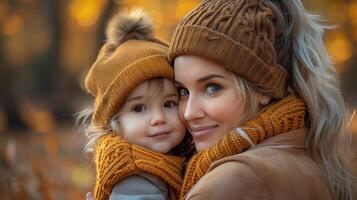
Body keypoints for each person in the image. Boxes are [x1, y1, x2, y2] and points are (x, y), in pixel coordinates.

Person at [168, 0, 355, 199]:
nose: (189, 113)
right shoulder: (313, 158)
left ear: (263, 89)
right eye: (183, 92)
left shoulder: (230, 182)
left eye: (212, 88)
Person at [77, 9, 190, 200]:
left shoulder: (161, 161)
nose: (158, 118)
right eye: (139, 108)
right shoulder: (136, 176)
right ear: (115, 122)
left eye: (169, 103)